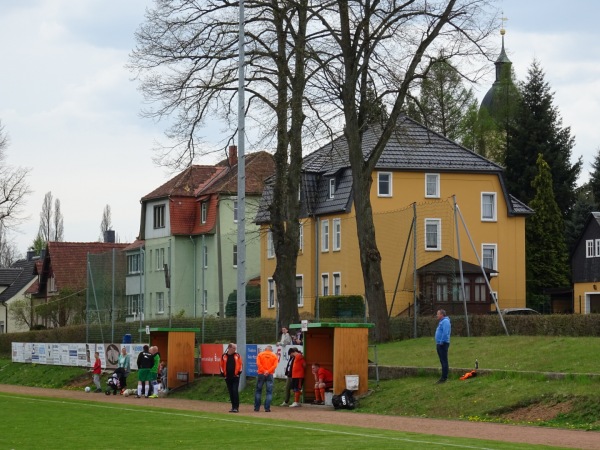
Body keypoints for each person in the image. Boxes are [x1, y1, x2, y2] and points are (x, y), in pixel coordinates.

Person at [219, 342, 243, 413]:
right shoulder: (224, 356)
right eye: (234, 348)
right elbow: (221, 366)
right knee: (231, 392)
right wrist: (223, 374)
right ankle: (233, 406)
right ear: (229, 348)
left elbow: (241, 365)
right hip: (228, 377)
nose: (235, 349)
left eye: (235, 348)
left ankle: (236, 407)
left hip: (235, 377)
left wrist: (238, 373)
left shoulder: (237, 355)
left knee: (235, 391)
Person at [254, 345, 278, 412]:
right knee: (269, 392)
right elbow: (275, 365)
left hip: (261, 373)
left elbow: (258, 364)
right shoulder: (274, 356)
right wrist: (268, 371)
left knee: (258, 391)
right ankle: (267, 408)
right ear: (271, 350)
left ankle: (257, 407)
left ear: (265, 349)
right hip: (270, 374)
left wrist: (264, 371)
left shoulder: (260, 354)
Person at [435, 309, 451, 384]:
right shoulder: (441, 322)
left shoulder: (445, 322)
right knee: (442, 360)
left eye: (438, 314)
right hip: (439, 343)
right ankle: (443, 376)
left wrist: (441, 341)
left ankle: (444, 377)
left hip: (443, 344)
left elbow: (445, 332)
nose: (437, 315)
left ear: (442, 315)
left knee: (444, 361)